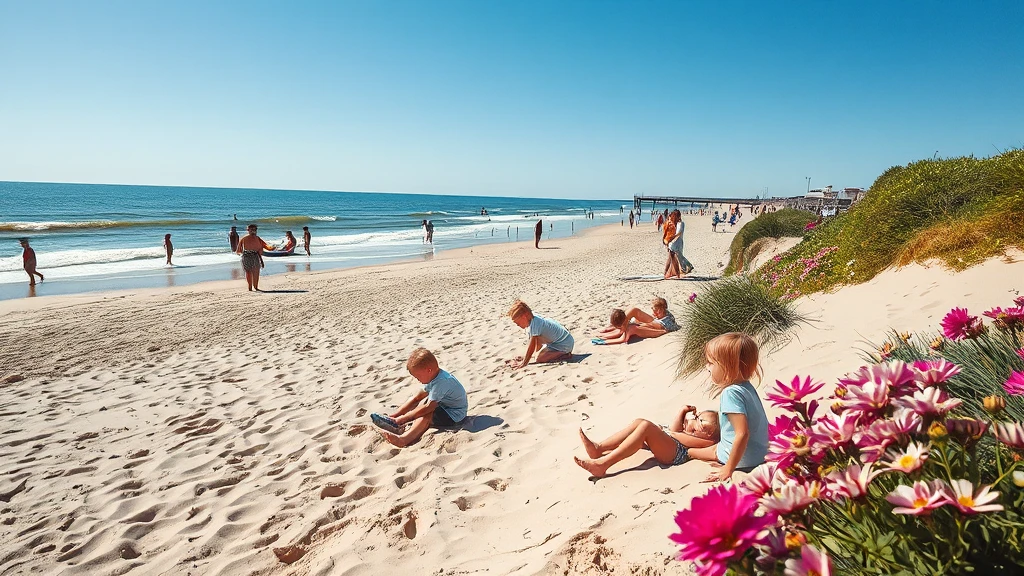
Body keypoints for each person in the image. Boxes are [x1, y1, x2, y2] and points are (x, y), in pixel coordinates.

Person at [686, 333, 770, 482]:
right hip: (760, 453)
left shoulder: (730, 393)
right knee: (713, 446)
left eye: (711, 363)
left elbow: (742, 433)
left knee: (691, 451)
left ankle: (680, 446)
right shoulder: (747, 387)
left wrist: (728, 469)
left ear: (727, 366)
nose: (707, 367)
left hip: (744, 460)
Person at [574, 405, 721, 478]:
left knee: (646, 427)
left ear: (707, 433)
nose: (693, 419)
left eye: (698, 421)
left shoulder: (707, 442)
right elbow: (674, 429)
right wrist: (682, 412)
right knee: (640, 422)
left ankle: (603, 464)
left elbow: (675, 434)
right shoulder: (692, 432)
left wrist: (660, 432)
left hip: (676, 455)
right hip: (672, 446)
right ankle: (599, 449)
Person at [371, 347, 468, 447]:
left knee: (427, 412)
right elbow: (416, 398)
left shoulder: (442, 382)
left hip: (454, 415)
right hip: (444, 407)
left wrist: (404, 418)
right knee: (423, 401)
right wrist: (396, 416)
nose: (417, 379)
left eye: (418, 376)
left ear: (428, 370)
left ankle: (404, 439)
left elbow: (429, 407)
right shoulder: (435, 377)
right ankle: (397, 423)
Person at [506, 300, 573, 368]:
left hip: (564, 344)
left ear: (524, 317)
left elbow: (532, 346)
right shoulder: (533, 317)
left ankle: (564, 353)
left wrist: (524, 363)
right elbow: (536, 342)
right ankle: (538, 354)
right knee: (537, 340)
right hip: (561, 340)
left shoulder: (535, 323)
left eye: (517, 322)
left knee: (539, 359)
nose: (517, 325)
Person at [593, 298, 679, 345]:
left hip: (661, 326)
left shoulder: (664, 317)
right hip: (658, 323)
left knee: (632, 325)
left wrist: (605, 341)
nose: (654, 312)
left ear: (662, 309)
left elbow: (623, 339)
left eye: (656, 310)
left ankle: (619, 328)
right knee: (633, 315)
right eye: (653, 309)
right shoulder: (662, 313)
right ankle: (619, 327)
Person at [236, 224, 266, 291]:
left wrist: (261, 261)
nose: (253, 231)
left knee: (256, 272)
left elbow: (261, 249)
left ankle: (255, 287)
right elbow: (238, 250)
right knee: (248, 272)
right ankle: (250, 287)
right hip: (247, 256)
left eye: (255, 230)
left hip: (255, 256)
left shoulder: (257, 238)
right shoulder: (244, 238)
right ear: (248, 230)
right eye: (251, 230)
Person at [667, 209, 694, 276]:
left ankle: (686, 267)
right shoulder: (676, 223)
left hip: (677, 241)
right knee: (679, 256)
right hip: (677, 241)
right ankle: (685, 267)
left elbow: (679, 232)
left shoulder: (681, 223)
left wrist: (672, 239)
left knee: (679, 255)